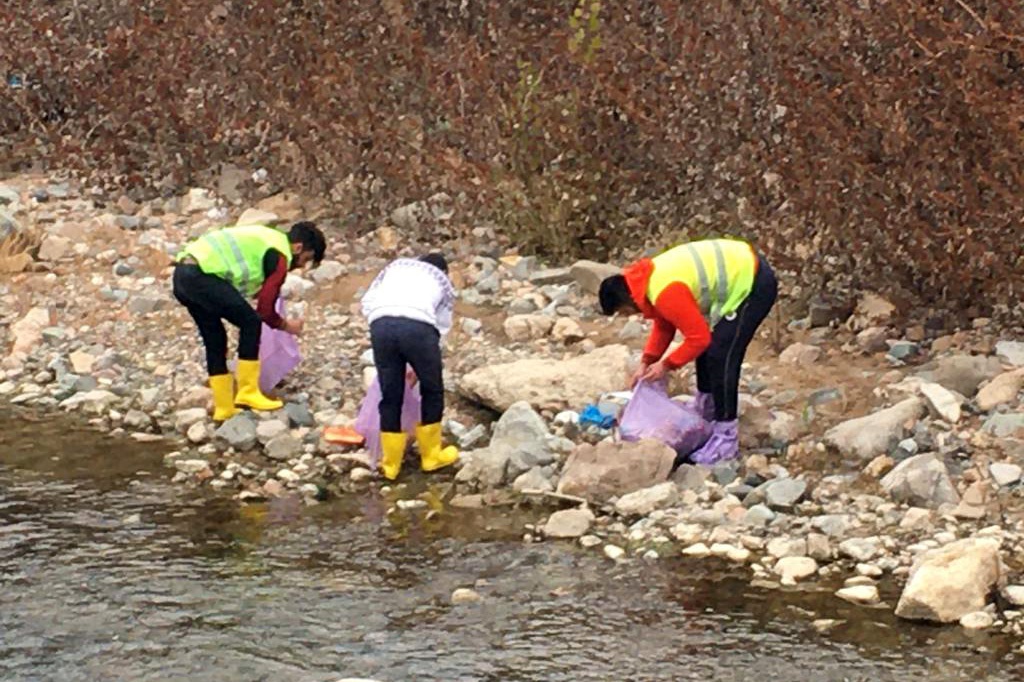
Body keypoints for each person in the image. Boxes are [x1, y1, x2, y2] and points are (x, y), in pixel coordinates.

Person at [598, 238, 778, 464]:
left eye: (624, 312)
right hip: (742, 271)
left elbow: (698, 338)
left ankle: (726, 436)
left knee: (721, 354)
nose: (630, 316)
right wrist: (647, 362)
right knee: (709, 349)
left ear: (627, 300)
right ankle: (708, 411)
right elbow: (665, 324)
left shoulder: (664, 291)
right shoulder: (647, 282)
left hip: (752, 281)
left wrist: (666, 365)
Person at [172, 221, 326, 421]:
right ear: (298, 248)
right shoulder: (280, 255)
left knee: (215, 337)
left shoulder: (267, 238)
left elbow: (241, 273)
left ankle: (224, 407)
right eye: (306, 259)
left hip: (182, 276)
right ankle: (248, 391)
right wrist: (288, 326)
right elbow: (265, 311)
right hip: (201, 276)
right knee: (250, 323)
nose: (301, 266)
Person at [361, 253, 459, 480]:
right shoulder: (441, 279)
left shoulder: (395, 267)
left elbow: (367, 303)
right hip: (418, 327)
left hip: (381, 323)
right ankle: (431, 456)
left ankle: (391, 465)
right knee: (432, 389)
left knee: (390, 394)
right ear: (444, 271)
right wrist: (422, 363)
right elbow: (441, 326)